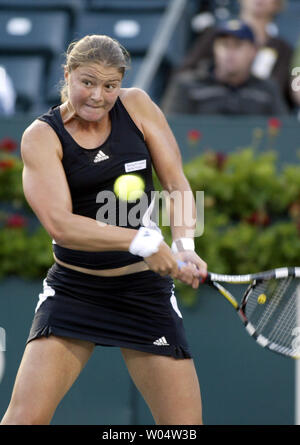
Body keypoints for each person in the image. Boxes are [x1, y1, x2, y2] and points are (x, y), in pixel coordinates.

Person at [0, 35, 207, 425]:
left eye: (110, 85)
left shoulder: (138, 106)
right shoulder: (41, 137)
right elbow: (61, 226)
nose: (98, 96)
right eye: (88, 82)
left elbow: (177, 184)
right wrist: (144, 240)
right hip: (75, 291)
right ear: (67, 75)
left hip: (144, 293)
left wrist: (183, 244)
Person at [177, 0, 297, 110]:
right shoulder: (215, 35)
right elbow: (185, 76)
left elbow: (288, 99)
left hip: (260, 118)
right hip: (212, 111)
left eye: (238, 45)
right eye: (226, 45)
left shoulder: (284, 49)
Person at [162, 20, 288, 115]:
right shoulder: (187, 85)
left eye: (238, 46)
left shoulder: (267, 89)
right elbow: (170, 131)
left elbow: (284, 133)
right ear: (214, 49)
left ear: (253, 51)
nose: (230, 52)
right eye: (224, 45)